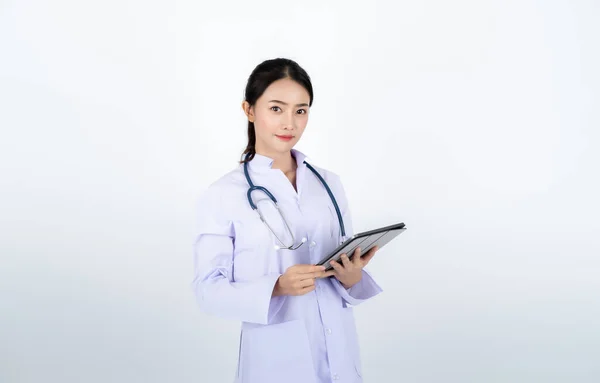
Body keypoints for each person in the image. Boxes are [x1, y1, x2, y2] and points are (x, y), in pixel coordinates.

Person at [192, 58, 383, 383]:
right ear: (249, 110)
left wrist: (352, 277)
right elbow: (207, 290)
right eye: (276, 109)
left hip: (339, 350)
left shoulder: (328, 183)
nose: (289, 123)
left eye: (301, 110)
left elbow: (342, 264)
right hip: (275, 360)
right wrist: (277, 286)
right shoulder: (224, 193)